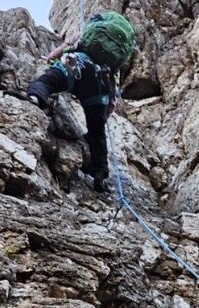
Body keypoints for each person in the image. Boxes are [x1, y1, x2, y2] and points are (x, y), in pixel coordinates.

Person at [26, 11, 136, 194]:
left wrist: (49, 59)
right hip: (98, 84)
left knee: (46, 82)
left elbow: (66, 46)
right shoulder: (113, 61)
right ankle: (100, 173)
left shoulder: (85, 34)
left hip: (77, 65)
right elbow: (113, 94)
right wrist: (103, 115)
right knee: (97, 133)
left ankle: (35, 99)